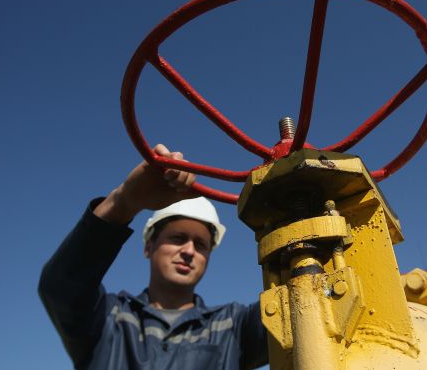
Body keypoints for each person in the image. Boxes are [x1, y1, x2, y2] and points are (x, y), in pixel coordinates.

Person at [39, 144, 268, 370]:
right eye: (178, 238)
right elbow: (61, 287)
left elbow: (289, 311)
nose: (189, 251)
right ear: (149, 246)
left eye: (201, 245)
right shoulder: (108, 319)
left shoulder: (233, 327)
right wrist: (124, 201)